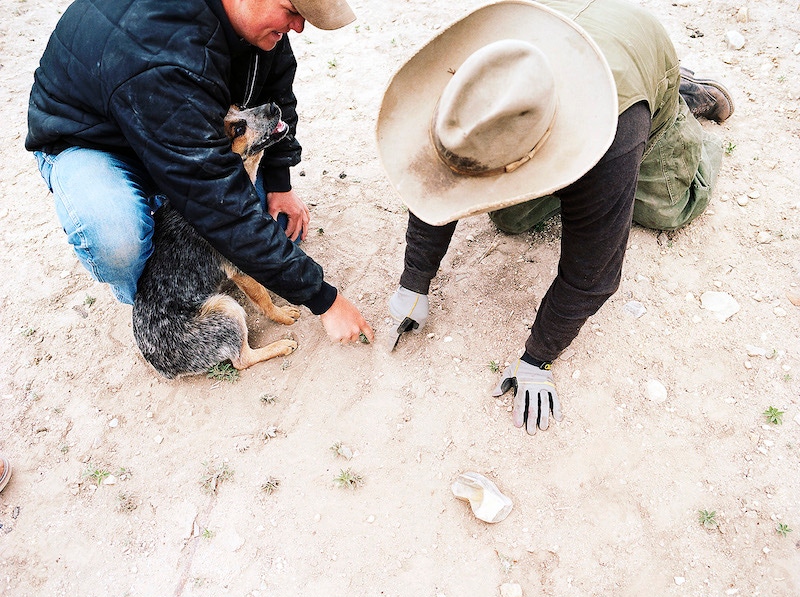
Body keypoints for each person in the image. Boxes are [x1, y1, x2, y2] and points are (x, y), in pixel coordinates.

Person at [377, 0, 733, 435]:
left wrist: (538, 357)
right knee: (510, 219)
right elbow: (438, 176)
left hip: (631, 70)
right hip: (558, 39)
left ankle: (680, 99)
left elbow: (594, 271)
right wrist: (414, 279)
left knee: (669, 207)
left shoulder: (614, 134)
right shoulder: (474, 82)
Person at [26, 0, 374, 344]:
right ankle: (161, 306)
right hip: (93, 141)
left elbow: (276, 97)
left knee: (280, 232)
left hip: (180, 131)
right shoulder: (164, 50)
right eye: (292, 11)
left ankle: (178, 225)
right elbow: (223, 210)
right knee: (117, 237)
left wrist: (280, 183)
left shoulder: (258, 27)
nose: (298, 27)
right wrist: (325, 300)